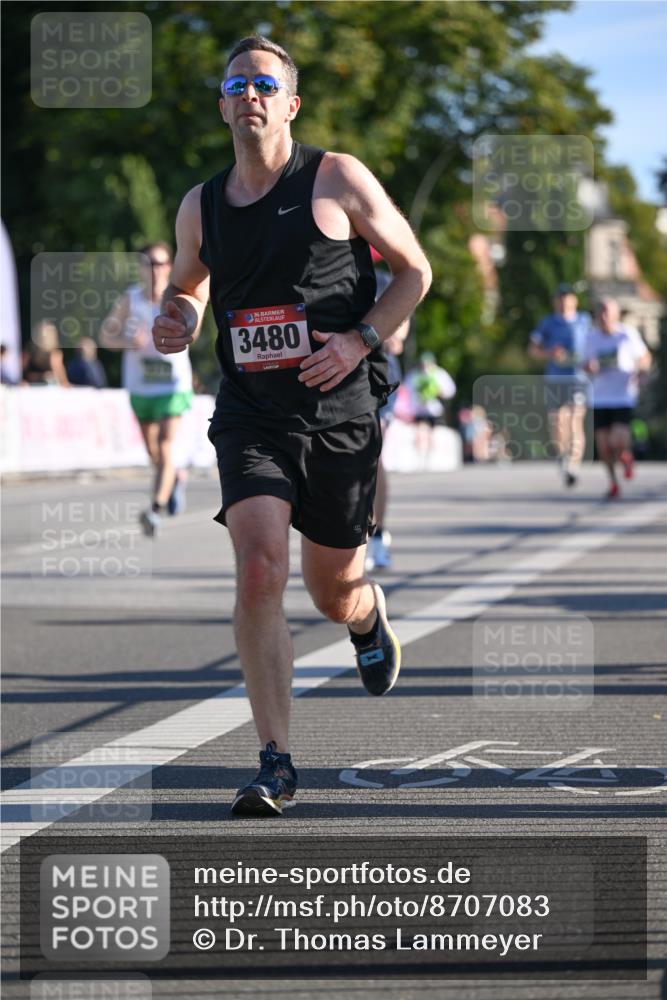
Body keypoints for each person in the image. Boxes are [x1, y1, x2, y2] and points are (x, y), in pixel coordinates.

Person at [151, 35, 431, 816]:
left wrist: (359, 340)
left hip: (339, 410)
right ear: (222, 106)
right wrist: (177, 317)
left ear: (290, 104)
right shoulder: (201, 204)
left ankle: (365, 617)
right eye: (235, 84)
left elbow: (414, 270)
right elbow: (187, 286)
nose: (249, 94)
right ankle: (275, 762)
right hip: (252, 412)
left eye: (265, 84)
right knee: (258, 569)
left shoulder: (336, 177)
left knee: (330, 588)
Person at [100, 241, 193, 535]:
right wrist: (127, 341)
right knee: (153, 451)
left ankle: (155, 508)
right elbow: (105, 337)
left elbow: (194, 328)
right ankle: (174, 478)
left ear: (170, 266)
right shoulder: (130, 300)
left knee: (165, 444)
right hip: (140, 386)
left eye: (161, 263)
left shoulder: (177, 298)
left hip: (173, 385)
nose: (156, 269)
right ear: (140, 267)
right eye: (149, 263)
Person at [365, 261, 410, 572]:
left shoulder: (382, 280)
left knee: (372, 454)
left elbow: (399, 331)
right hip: (335, 373)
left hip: (378, 377)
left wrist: (387, 331)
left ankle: (377, 534)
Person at [584, 298, 651, 499]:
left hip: (622, 395)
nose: (604, 316)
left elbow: (645, 357)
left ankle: (625, 455)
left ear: (616, 314)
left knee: (617, 439)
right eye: (601, 312)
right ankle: (613, 482)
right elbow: (583, 363)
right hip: (600, 397)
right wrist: (589, 367)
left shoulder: (627, 334)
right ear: (597, 315)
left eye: (608, 312)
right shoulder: (591, 338)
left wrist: (641, 371)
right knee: (604, 447)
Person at [528, 283, 591, 487]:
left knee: (575, 420)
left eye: (568, 298)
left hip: (579, 378)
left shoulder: (585, 321)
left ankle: (574, 465)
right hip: (555, 378)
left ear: (575, 300)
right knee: (557, 422)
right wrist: (549, 353)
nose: (564, 302)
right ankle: (563, 456)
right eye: (560, 298)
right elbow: (532, 350)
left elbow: (595, 344)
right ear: (555, 301)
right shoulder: (547, 323)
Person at [402, 351, 456, 467]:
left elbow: (450, 390)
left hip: (434, 410)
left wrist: (440, 391)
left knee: (433, 434)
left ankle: (430, 457)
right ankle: (420, 457)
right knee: (420, 433)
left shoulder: (439, 373)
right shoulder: (414, 375)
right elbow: (406, 392)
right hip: (418, 410)